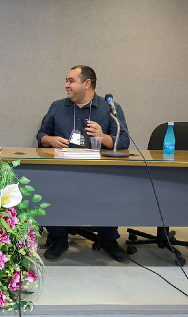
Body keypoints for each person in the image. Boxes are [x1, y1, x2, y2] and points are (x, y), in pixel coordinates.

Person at [36, 65, 130, 262]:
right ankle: (58, 239)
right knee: (49, 188)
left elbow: (123, 142)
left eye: (71, 81)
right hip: (62, 171)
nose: (66, 85)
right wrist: (51, 140)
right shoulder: (57, 106)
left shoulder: (110, 108)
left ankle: (108, 240)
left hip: (99, 173)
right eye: (66, 81)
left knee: (112, 189)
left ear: (87, 83)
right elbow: (41, 135)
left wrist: (103, 137)